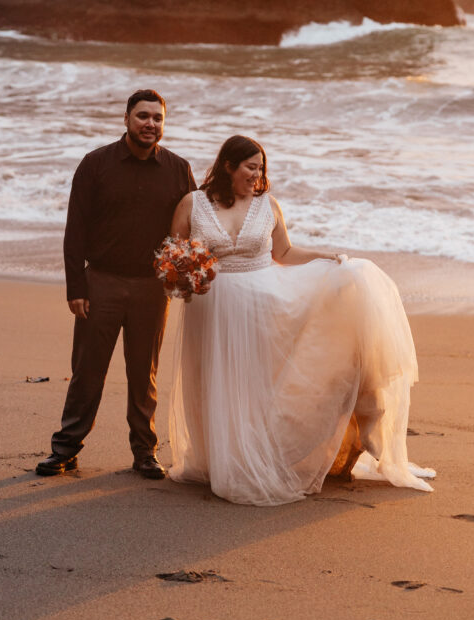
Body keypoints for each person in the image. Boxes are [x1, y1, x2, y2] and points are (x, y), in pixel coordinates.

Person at [168, 135, 435, 506]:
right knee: (214, 382)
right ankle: (218, 460)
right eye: (250, 167)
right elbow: (175, 253)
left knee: (257, 384)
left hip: (262, 304)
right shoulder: (193, 203)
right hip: (211, 309)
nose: (257, 176)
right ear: (228, 166)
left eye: (261, 169)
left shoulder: (267, 205)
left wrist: (328, 258)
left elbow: (285, 252)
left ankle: (259, 457)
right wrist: (178, 275)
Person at [36, 90, 196, 479]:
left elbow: (192, 229)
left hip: (152, 289)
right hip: (101, 282)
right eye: (143, 116)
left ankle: (145, 453)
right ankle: (66, 449)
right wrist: (76, 286)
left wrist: (191, 274)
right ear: (126, 119)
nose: (150, 124)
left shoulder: (178, 169)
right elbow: (75, 230)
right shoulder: (95, 165)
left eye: (157, 118)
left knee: (145, 375)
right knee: (88, 371)